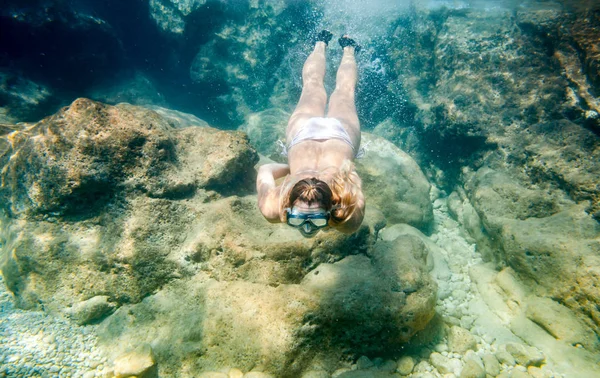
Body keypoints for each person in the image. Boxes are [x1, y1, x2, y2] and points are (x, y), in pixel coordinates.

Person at [256, 30, 365, 238]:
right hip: (304, 135)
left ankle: (335, 46)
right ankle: (333, 45)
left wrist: (295, 170)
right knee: (332, 89)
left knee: (333, 89)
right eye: (300, 219)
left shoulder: (275, 207)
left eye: (314, 219)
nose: (307, 227)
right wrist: (294, 171)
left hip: (339, 140)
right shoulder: (273, 205)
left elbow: (354, 179)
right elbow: (266, 171)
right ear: (329, 208)